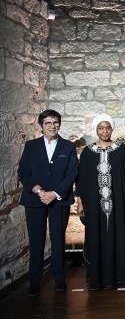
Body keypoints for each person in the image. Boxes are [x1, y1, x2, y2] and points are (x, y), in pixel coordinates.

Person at [18, 109, 78, 296]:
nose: (52, 126)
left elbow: (72, 173)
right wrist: (38, 190)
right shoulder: (31, 146)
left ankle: (59, 279)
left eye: (55, 122)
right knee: (36, 241)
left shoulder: (68, 147)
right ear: (42, 126)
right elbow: (23, 172)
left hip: (59, 200)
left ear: (60, 124)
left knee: (58, 240)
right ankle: (34, 282)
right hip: (35, 200)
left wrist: (55, 193)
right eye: (48, 123)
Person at [76, 114, 125, 290]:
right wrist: (80, 201)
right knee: (96, 236)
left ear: (112, 129)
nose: (104, 131)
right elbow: (81, 178)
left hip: (118, 201)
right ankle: (97, 277)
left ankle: (119, 276)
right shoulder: (87, 152)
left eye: (107, 127)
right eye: (101, 128)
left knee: (118, 234)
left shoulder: (122, 150)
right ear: (96, 130)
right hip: (93, 203)